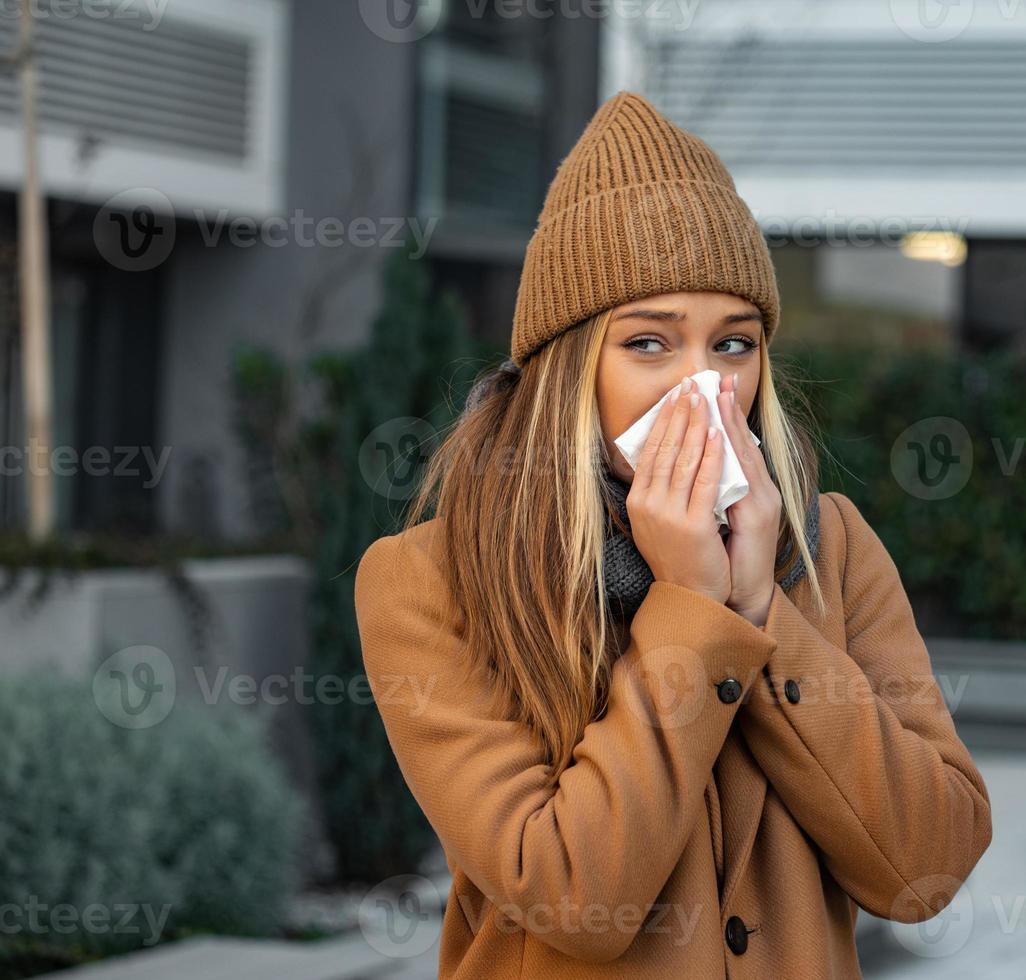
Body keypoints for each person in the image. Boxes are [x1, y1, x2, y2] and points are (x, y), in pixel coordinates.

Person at [354, 90, 992, 978]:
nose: (703, 387)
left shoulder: (828, 546)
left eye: (732, 346)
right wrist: (692, 608)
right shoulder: (431, 581)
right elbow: (572, 893)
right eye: (650, 344)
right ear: (568, 367)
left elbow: (928, 866)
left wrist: (763, 604)